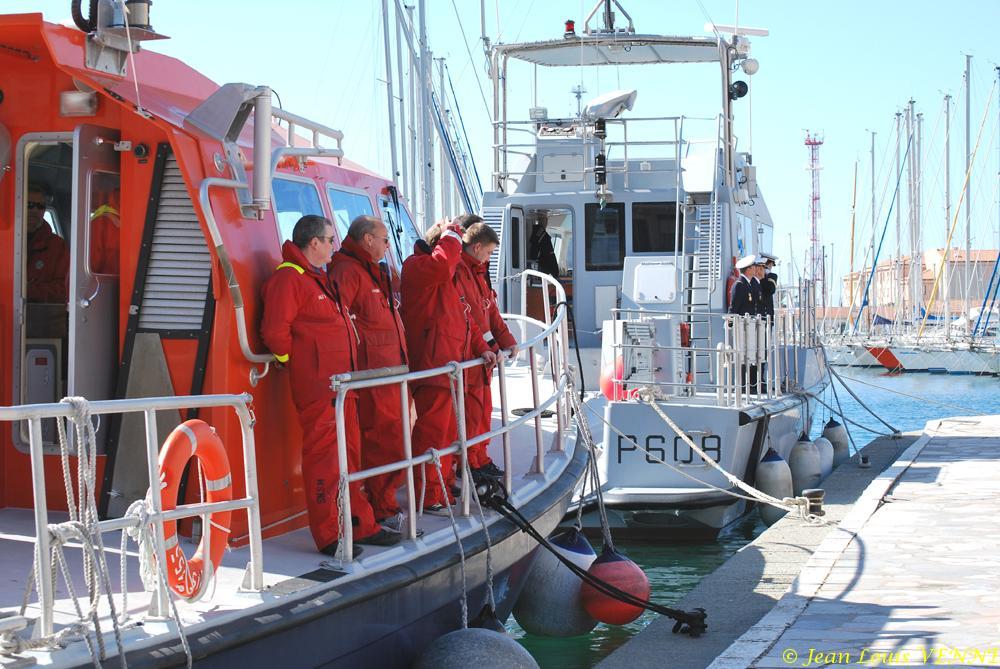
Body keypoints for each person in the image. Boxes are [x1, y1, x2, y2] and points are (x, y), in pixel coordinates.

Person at [261, 214, 400, 556]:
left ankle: (359, 524)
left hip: (341, 384)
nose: (333, 246)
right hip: (320, 386)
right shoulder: (289, 279)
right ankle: (329, 534)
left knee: (349, 454)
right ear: (314, 243)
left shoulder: (317, 278)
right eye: (329, 239)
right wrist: (298, 364)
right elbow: (275, 333)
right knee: (324, 459)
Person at [400, 217, 496, 515]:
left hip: (449, 366)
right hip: (434, 366)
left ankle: (439, 486)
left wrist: (483, 348)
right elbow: (442, 267)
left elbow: (465, 317)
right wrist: (452, 232)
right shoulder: (418, 267)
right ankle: (429, 495)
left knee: (445, 434)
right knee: (433, 434)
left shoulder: (445, 275)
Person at [329, 215, 410, 532]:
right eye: (385, 239)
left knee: (390, 438)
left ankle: (383, 503)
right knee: (383, 440)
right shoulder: (348, 272)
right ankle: (381, 507)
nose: (388, 245)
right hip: (372, 374)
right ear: (368, 240)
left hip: (387, 371)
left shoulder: (374, 271)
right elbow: (338, 322)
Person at [456, 216, 518, 482]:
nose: (490, 258)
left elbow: (488, 310)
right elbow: (466, 316)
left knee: (482, 412)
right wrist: (486, 345)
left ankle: (480, 458)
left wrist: (507, 341)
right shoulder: (460, 271)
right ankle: (471, 462)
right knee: (472, 413)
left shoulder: (477, 272)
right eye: (490, 252)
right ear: (477, 246)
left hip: (481, 355)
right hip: (470, 355)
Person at [25, 184, 69, 303]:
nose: (35, 210)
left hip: (42, 313)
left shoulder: (58, 247)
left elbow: (64, 288)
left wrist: (28, 291)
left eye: (40, 206)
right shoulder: (5, 242)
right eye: (29, 205)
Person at [758, 253, 778, 320]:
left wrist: (764, 275)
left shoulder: (772, 276)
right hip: (757, 310)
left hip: (767, 310)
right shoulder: (755, 275)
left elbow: (771, 290)